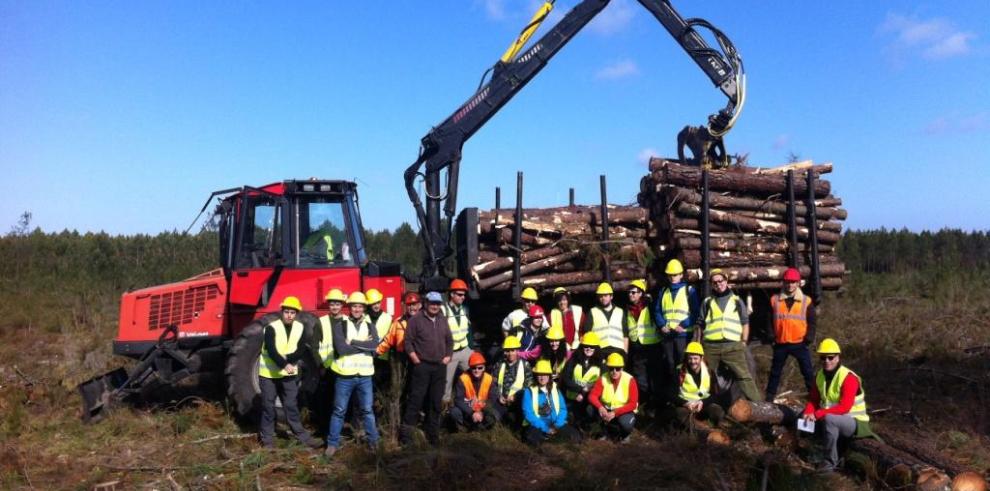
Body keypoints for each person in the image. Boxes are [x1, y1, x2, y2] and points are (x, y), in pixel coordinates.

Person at [258, 296, 322, 449]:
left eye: (292, 313)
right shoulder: (271, 328)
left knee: (291, 406)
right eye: (286, 312)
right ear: (282, 312)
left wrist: (289, 360)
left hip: (288, 375)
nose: (289, 315)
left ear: (296, 314)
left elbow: (300, 350)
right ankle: (267, 440)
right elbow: (272, 351)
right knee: (268, 407)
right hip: (269, 375)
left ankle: (302, 437)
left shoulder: (300, 328)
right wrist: (284, 363)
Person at [803, 338, 875, 473]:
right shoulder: (819, 375)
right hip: (836, 418)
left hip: (856, 422)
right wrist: (808, 413)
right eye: (823, 358)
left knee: (828, 419)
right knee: (804, 417)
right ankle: (814, 453)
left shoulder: (848, 377)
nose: (827, 361)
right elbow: (813, 400)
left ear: (838, 357)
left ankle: (830, 463)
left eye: (831, 357)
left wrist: (818, 414)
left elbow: (844, 407)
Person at [325, 292, 381, 457]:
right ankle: (332, 444)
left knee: (367, 410)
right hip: (345, 376)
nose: (357, 309)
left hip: (365, 376)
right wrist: (364, 345)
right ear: (349, 308)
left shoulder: (370, 325)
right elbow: (341, 349)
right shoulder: (340, 325)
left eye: (360, 306)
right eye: (354, 306)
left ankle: (374, 442)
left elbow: (374, 345)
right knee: (339, 410)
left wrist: (354, 342)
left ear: (364, 308)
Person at [695, 269, 761, 402]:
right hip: (711, 346)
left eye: (721, 281)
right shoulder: (707, 302)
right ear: (712, 284)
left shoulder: (736, 300)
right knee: (705, 376)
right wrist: (697, 344)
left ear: (726, 281)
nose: (718, 284)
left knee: (744, 376)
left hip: (732, 346)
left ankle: (759, 406)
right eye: (715, 282)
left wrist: (743, 341)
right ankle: (705, 407)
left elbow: (745, 322)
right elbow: (700, 325)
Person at [401, 291, 453, 446]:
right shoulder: (416, 320)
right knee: (416, 400)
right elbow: (408, 342)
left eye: (438, 303)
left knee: (436, 402)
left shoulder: (443, 320)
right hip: (422, 366)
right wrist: (415, 358)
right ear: (425, 303)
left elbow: (449, 340)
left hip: (439, 366)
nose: (435, 306)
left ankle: (433, 434)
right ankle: (406, 436)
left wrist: (448, 356)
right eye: (432, 303)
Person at [765, 267, 817, 402]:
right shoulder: (774, 300)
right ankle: (769, 400)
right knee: (775, 373)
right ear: (783, 282)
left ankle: (815, 400)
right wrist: (771, 336)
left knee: (807, 372)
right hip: (781, 343)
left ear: (798, 283)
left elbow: (812, 322)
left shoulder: (807, 301)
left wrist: (809, 338)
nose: (790, 285)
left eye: (793, 282)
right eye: (788, 282)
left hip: (799, 343)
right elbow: (768, 320)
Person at [654, 259, 700, 398]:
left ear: (681, 275)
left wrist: (683, 325)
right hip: (668, 336)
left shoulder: (689, 290)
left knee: (684, 364)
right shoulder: (663, 291)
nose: (672, 277)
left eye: (675, 275)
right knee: (670, 365)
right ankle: (675, 395)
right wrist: (662, 325)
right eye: (670, 275)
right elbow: (657, 311)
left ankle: (687, 393)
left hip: (683, 335)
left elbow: (695, 312)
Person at [521, 360, 582, 446]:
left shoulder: (555, 388)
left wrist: (557, 424)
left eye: (545, 374)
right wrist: (545, 428)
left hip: (555, 422)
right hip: (537, 424)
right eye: (539, 375)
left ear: (549, 376)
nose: (542, 378)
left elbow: (562, 409)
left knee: (575, 437)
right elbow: (528, 414)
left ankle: (552, 437)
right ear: (535, 376)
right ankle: (546, 438)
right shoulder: (529, 391)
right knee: (532, 440)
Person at [314, 288, 347, 436]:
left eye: (337, 304)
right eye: (332, 304)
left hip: (344, 368)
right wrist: (320, 364)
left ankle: (340, 430)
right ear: (329, 305)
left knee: (341, 402)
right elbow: (314, 346)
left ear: (342, 305)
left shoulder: (348, 321)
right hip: (326, 369)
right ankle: (324, 431)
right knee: (326, 401)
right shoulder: (321, 322)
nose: (335, 307)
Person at [672, 342, 725, 430]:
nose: (693, 362)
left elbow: (716, 395)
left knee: (717, 411)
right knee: (679, 414)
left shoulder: (709, 372)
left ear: (701, 358)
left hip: (703, 405)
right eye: (690, 358)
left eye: (695, 358)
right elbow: (670, 393)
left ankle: (716, 428)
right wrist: (685, 403)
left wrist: (702, 402)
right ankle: (703, 431)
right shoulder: (679, 371)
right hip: (686, 407)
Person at [626, 279, 661, 409]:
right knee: (639, 377)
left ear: (641, 293)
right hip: (637, 347)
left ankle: (655, 404)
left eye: (634, 292)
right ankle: (645, 403)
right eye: (629, 292)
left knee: (655, 376)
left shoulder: (650, 306)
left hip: (652, 345)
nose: (631, 295)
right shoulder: (628, 309)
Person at [588, 353, 639, 443]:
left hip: (623, 410)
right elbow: (592, 396)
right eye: (611, 368)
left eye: (618, 368)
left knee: (626, 424)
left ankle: (624, 435)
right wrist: (600, 407)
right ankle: (603, 432)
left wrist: (615, 413)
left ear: (622, 368)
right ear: (608, 368)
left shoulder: (630, 380)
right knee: (590, 409)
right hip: (606, 409)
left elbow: (633, 404)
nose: (614, 371)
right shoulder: (603, 378)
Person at [561, 332, 603, 429]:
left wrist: (584, 392)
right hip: (572, 398)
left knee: (590, 413)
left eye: (592, 347)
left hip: (589, 399)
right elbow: (566, 378)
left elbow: (601, 384)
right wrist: (581, 389)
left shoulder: (601, 364)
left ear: (596, 348)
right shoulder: (573, 360)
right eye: (586, 346)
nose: (588, 349)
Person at [450, 352, 500, 432]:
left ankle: (479, 429)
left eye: (480, 368)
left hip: (483, 410)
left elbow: (493, 399)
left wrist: (481, 412)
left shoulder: (489, 379)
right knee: (454, 412)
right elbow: (458, 400)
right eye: (474, 368)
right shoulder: (463, 378)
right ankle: (464, 428)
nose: (477, 370)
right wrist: (472, 412)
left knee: (494, 415)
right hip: (468, 411)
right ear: (470, 368)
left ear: (484, 368)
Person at [443, 278, 474, 402]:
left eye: (464, 295)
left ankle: (474, 402)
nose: (463, 297)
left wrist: (471, 349)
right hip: (449, 353)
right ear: (452, 294)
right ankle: (444, 408)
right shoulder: (443, 311)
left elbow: (469, 331)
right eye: (460, 295)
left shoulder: (464, 310)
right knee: (446, 384)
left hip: (465, 350)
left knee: (475, 374)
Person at [582, 282, 628, 359]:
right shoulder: (592, 312)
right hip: (600, 350)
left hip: (618, 350)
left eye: (606, 295)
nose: (603, 298)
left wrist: (625, 352)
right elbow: (587, 333)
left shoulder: (620, 311)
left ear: (611, 296)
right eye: (601, 296)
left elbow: (625, 334)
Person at [492, 336, 532, 424]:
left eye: (513, 350)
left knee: (516, 423)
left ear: (517, 350)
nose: (510, 353)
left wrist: (515, 397)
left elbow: (529, 386)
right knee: (492, 420)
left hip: (518, 402)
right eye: (507, 351)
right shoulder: (499, 364)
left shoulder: (525, 365)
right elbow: (493, 383)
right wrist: (499, 396)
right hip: (501, 401)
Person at [376, 292, 421, 360]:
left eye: (414, 304)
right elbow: (388, 340)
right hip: (402, 359)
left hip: (420, 358)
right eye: (409, 305)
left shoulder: (425, 321)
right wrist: (376, 352)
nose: (411, 308)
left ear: (419, 305)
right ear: (405, 306)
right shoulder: (398, 322)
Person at [366, 288, 394, 389]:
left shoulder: (388, 318)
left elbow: (390, 337)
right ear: (368, 304)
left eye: (378, 302)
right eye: (374, 303)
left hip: (382, 358)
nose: (377, 305)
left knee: (381, 386)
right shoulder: (363, 317)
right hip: (367, 358)